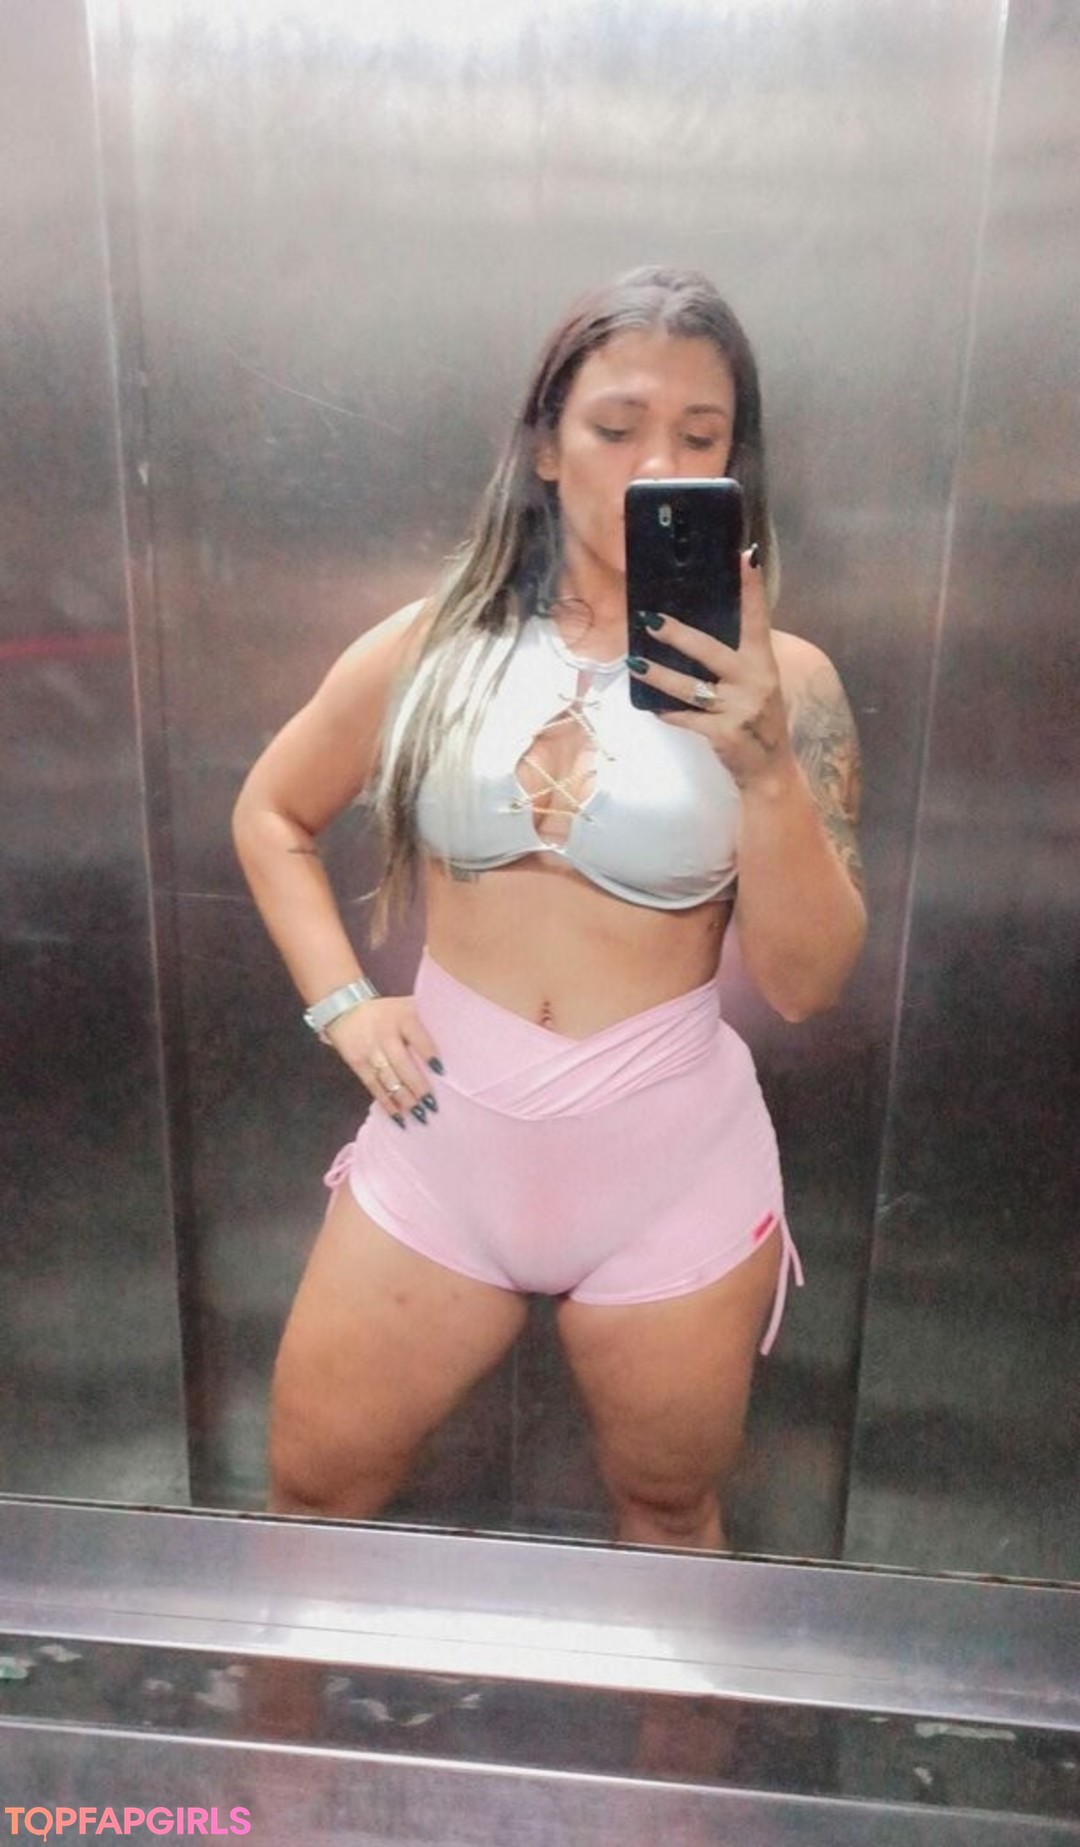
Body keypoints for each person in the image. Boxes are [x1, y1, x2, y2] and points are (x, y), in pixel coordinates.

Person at [232, 265, 866, 1550]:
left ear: (733, 464)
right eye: (616, 426)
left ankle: (670, 1706)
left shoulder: (788, 684)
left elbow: (808, 983)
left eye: (699, 437)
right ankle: (283, 1704)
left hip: (670, 1163)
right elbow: (271, 812)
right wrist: (345, 1004)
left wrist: (763, 764)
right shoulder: (431, 647)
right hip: (444, 1137)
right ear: (544, 445)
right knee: (312, 1497)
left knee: (669, 1512)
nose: (656, 466)